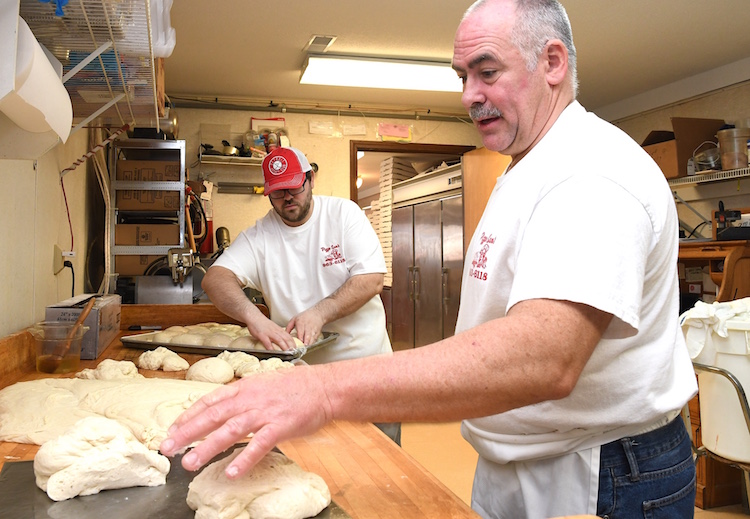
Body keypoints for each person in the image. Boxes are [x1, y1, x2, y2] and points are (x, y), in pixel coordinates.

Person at [162, 1, 698, 517]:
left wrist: (322, 389)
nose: (470, 95)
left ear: (552, 63)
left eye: (487, 72)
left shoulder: (590, 172)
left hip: (600, 473)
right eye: (462, 75)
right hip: (521, 457)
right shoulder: (524, 168)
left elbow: (543, 358)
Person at [200, 145, 399, 443]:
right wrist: (255, 318)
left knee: (384, 471)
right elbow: (215, 280)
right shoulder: (260, 236)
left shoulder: (343, 214)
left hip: (368, 373)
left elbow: (371, 280)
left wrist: (320, 312)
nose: (288, 198)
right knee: (314, 472)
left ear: (311, 179)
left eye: (295, 187)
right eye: (278, 192)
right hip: (303, 383)